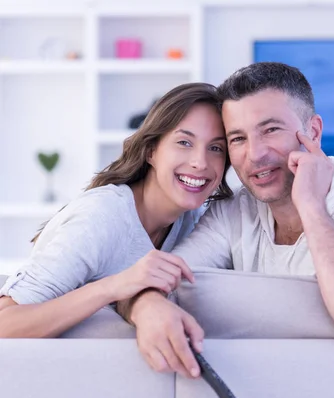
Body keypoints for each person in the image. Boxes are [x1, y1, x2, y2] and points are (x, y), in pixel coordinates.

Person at [119, 62, 334, 379]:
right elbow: (159, 278)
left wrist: (311, 206)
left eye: (270, 130)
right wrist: (147, 306)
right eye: (237, 139)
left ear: (313, 132)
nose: (255, 154)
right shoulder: (235, 211)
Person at [0, 82, 232, 339]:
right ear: (151, 150)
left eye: (216, 148)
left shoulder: (194, 222)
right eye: (184, 142)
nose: (200, 162)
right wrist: (113, 286)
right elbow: (5, 323)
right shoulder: (101, 216)